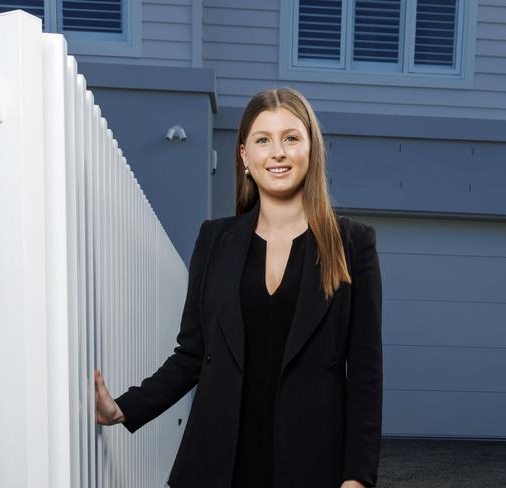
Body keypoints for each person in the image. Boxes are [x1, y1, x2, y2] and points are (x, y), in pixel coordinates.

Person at [95, 87, 383, 488]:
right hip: (219, 461)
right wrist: (122, 408)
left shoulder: (353, 244)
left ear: (311, 151)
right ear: (245, 156)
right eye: (263, 140)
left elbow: (366, 373)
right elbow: (192, 355)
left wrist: (358, 476)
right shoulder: (214, 240)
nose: (277, 152)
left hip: (312, 461)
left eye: (291, 138)